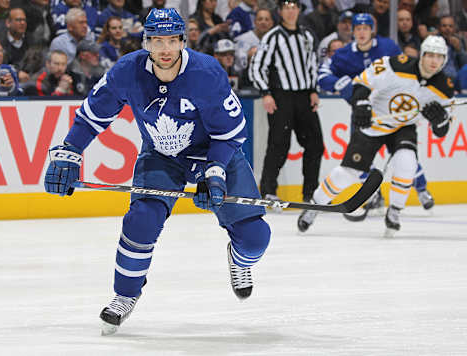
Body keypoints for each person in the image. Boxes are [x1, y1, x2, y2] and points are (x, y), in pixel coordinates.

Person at [43, 8, 271, 335]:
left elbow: (230, 134)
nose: (165, 49)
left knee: (255, 238)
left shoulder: (207, 72)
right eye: (157, 41)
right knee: (140, 221)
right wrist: (70, 151)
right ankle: (124, 295)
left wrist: (215, 171)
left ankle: (239, 259)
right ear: (146, 42)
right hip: (163, 156)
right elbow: (92, 116)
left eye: (172, 40)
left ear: (183, 41)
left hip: (214, 154)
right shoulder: (127, 71)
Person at [298, 36, 454, 237]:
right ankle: (315, 206)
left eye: (439, 57)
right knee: (346, 174)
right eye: (430, 55)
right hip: (374, 122)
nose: (434, 61)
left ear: (445, 59)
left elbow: (442, 130)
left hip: (403, 127)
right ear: (422, 55)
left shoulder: (445, 86)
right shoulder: (397, 64)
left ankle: (394, 212)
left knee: (407, 162)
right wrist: (361, 103)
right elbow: (362, 82)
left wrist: (439, 120)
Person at [318, 13, 436, 214]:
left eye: (365, 28)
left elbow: (409, 69)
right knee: (358, 159)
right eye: (358, 29)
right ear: (353, 32)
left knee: (403, 154)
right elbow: (322, 75)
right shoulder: (343, 54)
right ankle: (374, 194)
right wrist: (345, 85)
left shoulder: (388, 47)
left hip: (391, 111)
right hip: (362, 114)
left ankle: (422, 188)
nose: (362, 32)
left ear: (372, 30)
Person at [249, 0, 323, 204]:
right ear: (280, 12)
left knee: (315, 144)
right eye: (287, 7)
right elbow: (256, 66)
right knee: (279, 144)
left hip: (304, 96)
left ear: (299, 10)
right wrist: (265, 93)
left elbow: (313, 64)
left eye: (294, 7)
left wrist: (313, 89)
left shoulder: (307, 35)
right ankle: (268, 190)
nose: (291, 11)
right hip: (281, 97)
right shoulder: (272, 36)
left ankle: (310, 193)